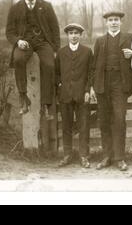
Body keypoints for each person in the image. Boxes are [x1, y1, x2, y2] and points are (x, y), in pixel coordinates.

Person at [5, 0, 60, 119]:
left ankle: (46, 105)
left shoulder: (46, 6)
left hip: (43, 42)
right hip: (25, 43)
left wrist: (55, 49)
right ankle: (24, 99)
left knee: (49, 65)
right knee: (18, 60)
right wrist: (18, 41)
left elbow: (55, 29)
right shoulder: (15, 8)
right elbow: (9, 32)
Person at [93, 11, 132, 171]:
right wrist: (93, 86)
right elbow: (94, 65)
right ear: (106, 23)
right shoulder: (100, 41)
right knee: (104, 121)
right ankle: (107, 156)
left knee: (119, 120)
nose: (113, 23)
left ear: (121, 22)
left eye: (116, 20)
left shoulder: (129, 38)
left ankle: (120, 158)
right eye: (110, 20)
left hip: (120, 85)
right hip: (103, 85)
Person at [55, 23, 94, 169]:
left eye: (76, 33)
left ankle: (84, 156)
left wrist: (87, 90)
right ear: (67, 35)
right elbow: (57, 73)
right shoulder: (61, 52)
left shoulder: (87, 52)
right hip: (65, 95)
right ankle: (67, 155)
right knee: (66, 126)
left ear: (81, 35)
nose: (74, 35)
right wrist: (59, 85)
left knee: (84, 125)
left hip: (82, 95)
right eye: (71, 33)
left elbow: (91, 73)